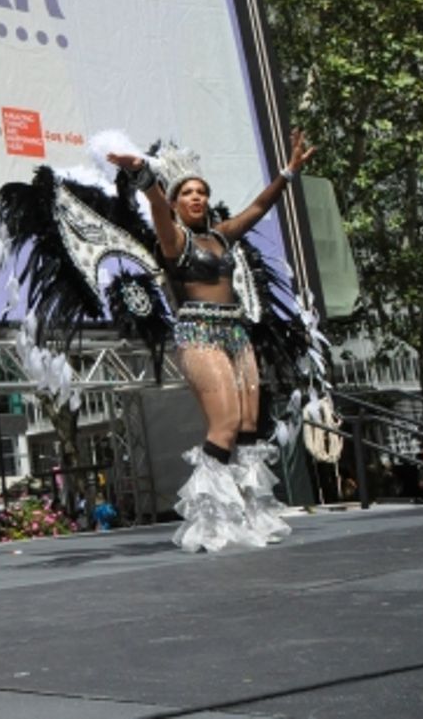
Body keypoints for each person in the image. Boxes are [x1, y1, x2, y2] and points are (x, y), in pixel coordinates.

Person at [108, 129, 316, 552]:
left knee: (247, 428)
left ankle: (251, 514)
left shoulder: (221, 236)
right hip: (198, 333)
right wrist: (144, 176)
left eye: (202, 191)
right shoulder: (174, 240)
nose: (197, 197)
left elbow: (259, 207)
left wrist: (288, 173)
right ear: (176, 202)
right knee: (222, 425)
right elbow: (155, 206)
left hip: (236, 333)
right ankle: (209, 523)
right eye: (188, 193)